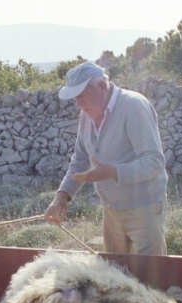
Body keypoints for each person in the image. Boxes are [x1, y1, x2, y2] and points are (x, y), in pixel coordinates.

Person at [45, 62, 168, 255]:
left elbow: (155, 163)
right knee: (115, 276)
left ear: (102, 87)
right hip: (111, 211)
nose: (78, 104)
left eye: (82, 96)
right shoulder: (86, 115)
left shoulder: (133, 106)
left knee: (150, 278)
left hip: (144, 209)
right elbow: (80, 159)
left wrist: (112, 172)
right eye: (75, 98)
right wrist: (61, 197)